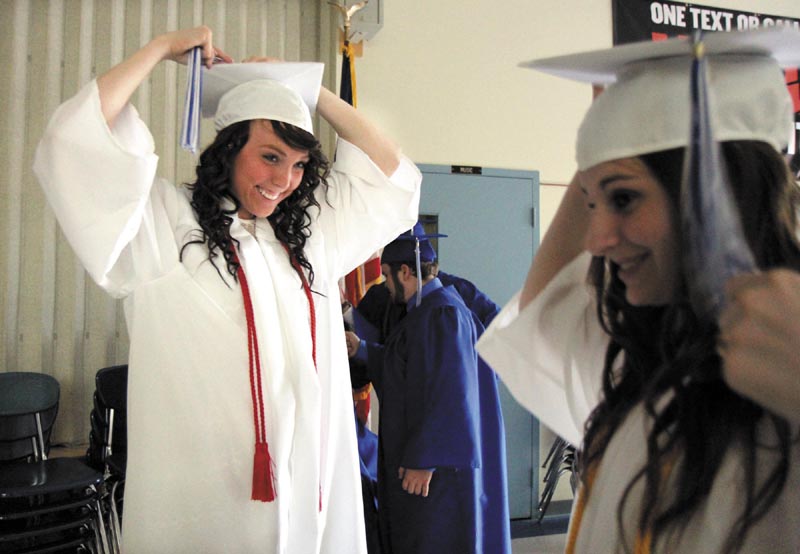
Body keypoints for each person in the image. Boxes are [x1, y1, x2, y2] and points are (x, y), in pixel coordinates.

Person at [33, 26, 421, 553]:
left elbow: (392, 175)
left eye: (299, 163)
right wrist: (159, 50)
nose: (285, 180)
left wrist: (305, 90)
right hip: (212, 505)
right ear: (229, 149)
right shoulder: (169, 227)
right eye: (269, 156)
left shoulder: (310, 237)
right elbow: (77, 144)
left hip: (311, 500)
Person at [477, 28, 800, 553]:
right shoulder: (642, 361)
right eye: (590, 203)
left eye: (624, 199)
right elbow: (545, 308)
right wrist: (618, 126)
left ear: (716, 192)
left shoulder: (783, 379)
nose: (598, 240)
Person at [370, 224, 510, 554]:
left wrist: (425, 459)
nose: (386, 287)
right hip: (428, 463)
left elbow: (450, 391)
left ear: (405, 271)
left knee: (436, 539)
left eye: (387, 277)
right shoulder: (427, 312)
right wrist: (362, 349)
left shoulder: (442, 315)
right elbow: (410, 370)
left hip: (436, 474)